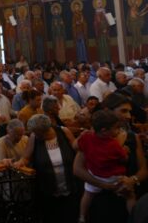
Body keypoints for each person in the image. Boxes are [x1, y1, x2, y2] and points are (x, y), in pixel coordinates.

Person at [74, 93, 147, 223]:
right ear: (107, 110)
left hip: (125, 198)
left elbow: (143, 170)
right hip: (101, 201)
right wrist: (105, 185)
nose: (128, 116)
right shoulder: (91, 138)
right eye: (123, 111)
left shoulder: (132, 137)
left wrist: (131, 180)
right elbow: (77, 169)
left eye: (129, 111)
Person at [16, 114, 79, 223]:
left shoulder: (63, 131)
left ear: (44, 131)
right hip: (47, 189)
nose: (34, 134)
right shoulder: (34, 137)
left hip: (71, 185)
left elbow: (77, 151)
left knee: (71, 216)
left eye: (36, 132)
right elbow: (25, 157)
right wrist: (19, 163)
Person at [77, 110, 135, 222]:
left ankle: (82, 216)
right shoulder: (113, 144)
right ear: (104, 131)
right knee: (130, 195)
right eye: (116, 128)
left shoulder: (86, 137)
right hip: (113, 178)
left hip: (94, 174)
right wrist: (125, 150)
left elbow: (79, 146)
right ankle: (134, 217)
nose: (118, 130)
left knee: (87, 195)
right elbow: (124, 159)